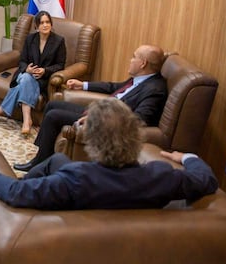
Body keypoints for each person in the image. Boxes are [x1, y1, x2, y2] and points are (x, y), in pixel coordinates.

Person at [0, 98, 218, 210]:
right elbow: (206, 180)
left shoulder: (73, 180)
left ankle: (25, 176)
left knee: (49, 170)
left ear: (92, 141)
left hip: (72, 222)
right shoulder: (163, 176)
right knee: (57, 160)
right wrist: (187, 157)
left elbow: (16, 195)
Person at [14, 43, 167, 173]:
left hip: (106, 122)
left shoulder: (155, 89)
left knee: (54, 115)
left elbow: (140, 118)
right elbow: (114, 87)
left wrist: (99, 117)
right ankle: (43, 155)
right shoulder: (140, 79)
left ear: (143, 63)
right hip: (101, 112)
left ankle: (39, 163)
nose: (130, 60)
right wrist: (84, 85)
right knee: (52, 104)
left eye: (134, 57)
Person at [0, 11, 66, 134]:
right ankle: (27, 120)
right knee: (26, 77)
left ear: (51, 24)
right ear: (36, 26)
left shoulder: (58, 41)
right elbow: (22, 60)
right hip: (26, 74)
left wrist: (45, 70)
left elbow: (60, 65)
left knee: (24, 80)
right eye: (41, 23)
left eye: (47, 22)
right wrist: (27, 69)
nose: (45, 25)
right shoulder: (30, 39)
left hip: (42, 79)